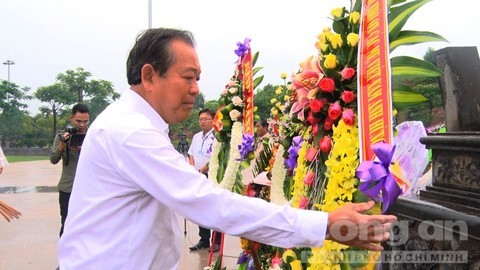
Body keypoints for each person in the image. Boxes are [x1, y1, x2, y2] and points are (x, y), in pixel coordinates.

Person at [58, 28, 396, 270]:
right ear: (149, 76)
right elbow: (209, 203)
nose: (195, 89)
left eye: (197, 78)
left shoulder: (135, 125)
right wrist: (323, 224)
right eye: (187, 77)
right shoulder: (129, 131)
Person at [50, 103, 89, 237]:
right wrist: (62, 144)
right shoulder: (62, 136)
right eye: (78, 121)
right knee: (66, 225)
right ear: (71, 118)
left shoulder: (93, 136)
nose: (82, 125)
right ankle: (65, 256)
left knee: (88, 226)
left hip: (89, 189)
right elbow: (53, 159)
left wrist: (86, 150)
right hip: (68, 188)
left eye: (85, 121)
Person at [187, 108, 222, 252]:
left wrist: (202, 170)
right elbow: (191, 154)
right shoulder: (196, 137)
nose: (202, 121)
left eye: (205, 119)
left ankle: (217, 240)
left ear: (213, 120)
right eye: (200, 119)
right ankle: (204, 238)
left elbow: (216, 157)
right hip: (197, 176)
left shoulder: (218, 137)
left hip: (211, 176)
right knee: (200, 208)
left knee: (214, 208)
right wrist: (193, 169)